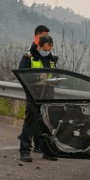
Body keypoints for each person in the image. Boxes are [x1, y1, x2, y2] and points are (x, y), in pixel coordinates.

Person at [18, 34, 58, 162]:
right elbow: (22, 74)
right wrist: (37, 78)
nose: (47, 52)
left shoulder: (51, 58)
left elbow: (55, 72)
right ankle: (24, 151)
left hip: (48, 93)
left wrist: (56, 79)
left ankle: (47, 150)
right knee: (31, 120)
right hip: (33, 93)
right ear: (39, 46)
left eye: (49, 50)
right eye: (45, 50)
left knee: (48, 122)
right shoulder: (29, 57)